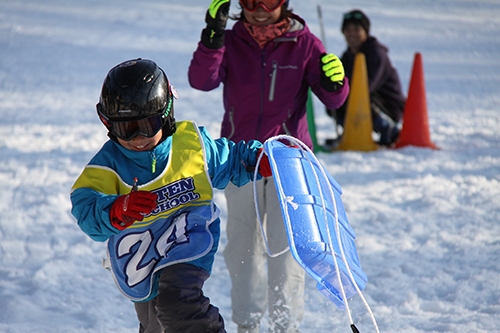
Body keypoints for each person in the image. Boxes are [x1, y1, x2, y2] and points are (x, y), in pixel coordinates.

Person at [70, 58, 273, 333]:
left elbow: (232, 159)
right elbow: (85, 209)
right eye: (125, 128)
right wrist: (115, 210)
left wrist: (257, 159)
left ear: (166, 114)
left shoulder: (192, 146)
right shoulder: (107, 166)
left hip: (186, 239)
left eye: (148, 124)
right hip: (141, 255)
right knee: (154, 323)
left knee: (176, 301)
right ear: (107, 123)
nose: (138, 137)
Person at [188, 1, 349, 332]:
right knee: (242, 249)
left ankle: (284, 326)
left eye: (269, 1)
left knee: (285, 251)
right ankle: (247, 325)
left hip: (288, 163)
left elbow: (334, 101)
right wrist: (213, 35)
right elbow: (201, 79)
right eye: (250, 1)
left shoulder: (304, 43)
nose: (259, 9)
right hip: (239, 160)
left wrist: (336, 82)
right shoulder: (232, 40)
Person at [326, 9, 406, 147]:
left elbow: (365, 87)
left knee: (356, 97)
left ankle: (389, 130)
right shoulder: (348, 55)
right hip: (365, 100)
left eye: (356, 29)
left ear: (365, 31)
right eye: (348, 30)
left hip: (387, 105)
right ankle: (350, 133)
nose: (352, 34)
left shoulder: (376, 53)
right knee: (335, 100)